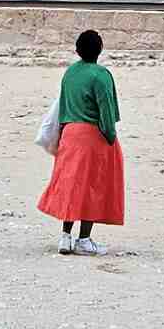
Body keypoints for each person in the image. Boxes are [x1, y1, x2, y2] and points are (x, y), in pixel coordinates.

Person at [37, 27, 124, 256]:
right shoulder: (101, 75)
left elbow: (63, 105)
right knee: (92, 186)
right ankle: (84, 239)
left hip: (70, 135)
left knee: (71, 184)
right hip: (92, 136)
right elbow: (106, 111)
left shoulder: (70, 73)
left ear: (77, 50)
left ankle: (65, 237)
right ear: (100, 50)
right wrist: (110, 136)